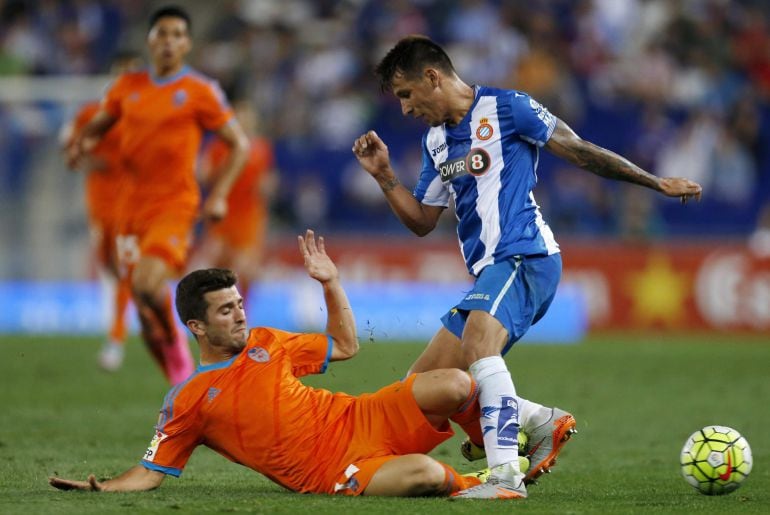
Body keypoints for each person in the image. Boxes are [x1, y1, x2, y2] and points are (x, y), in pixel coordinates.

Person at [352, 35, 703, 499]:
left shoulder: (509, 107)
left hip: (525, 255)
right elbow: (421, 221)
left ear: (432, 77)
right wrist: (383, 176)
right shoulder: (435, 141)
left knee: (480, 341)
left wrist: (654, 182)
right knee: (423, 389)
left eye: (406, 95)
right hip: (490, 272)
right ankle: (537, 420)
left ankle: (504, 479)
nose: (404, 109)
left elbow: (579, 149)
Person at [48, 230, 494, 498]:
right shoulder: (188, 399)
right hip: (332, 471)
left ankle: (495, 452)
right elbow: (150, 472)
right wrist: (104, 487)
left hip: (362, 416)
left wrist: (331, 283)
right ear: (196, 327)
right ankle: (477, 485)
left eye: (239, 304)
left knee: (455, 383)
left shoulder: (268, 341)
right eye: (225, 310)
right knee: (428, 474)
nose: (240, 314)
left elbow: (345, 344)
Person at [68, 6, 250, 385]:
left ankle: (179, 353)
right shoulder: (126, 88)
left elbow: (239, 145)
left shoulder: (200, 91)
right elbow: (97, 126)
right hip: (129, 209)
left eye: (177, 35)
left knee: (147, 284)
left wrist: (218, 196)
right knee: (143, 301)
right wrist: (80, 145)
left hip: (175, 205)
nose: (168, 41)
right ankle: (175, 369)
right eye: (162, 33)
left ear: (187, 44)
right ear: (149, 40)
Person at [61, 51, 143, 372]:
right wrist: (87, 158)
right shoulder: (91, 114)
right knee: (108, 265)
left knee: (125, 268)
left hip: (132, 204)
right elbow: (70, 149)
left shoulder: (147, 118)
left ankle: (116, 339)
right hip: (99, 205)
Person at [188, 99, 278, 307]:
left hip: (248, 216)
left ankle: (242, 313)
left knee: (245, 268)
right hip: (223, 215)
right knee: (216, 265)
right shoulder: (219, 147)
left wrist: (267, 187)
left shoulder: (261, 149)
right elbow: (203, 174)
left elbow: (266, 181)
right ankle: (210, 310)